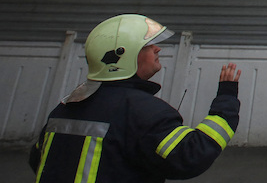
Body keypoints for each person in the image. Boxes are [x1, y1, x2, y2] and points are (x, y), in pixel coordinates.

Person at [29, 14, 241, 183]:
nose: (157, 48)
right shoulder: (144, 112)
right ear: (124, 55)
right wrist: (227, 99)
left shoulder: (65, 108)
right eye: (148, 46)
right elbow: (191, 155)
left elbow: (38, 160)